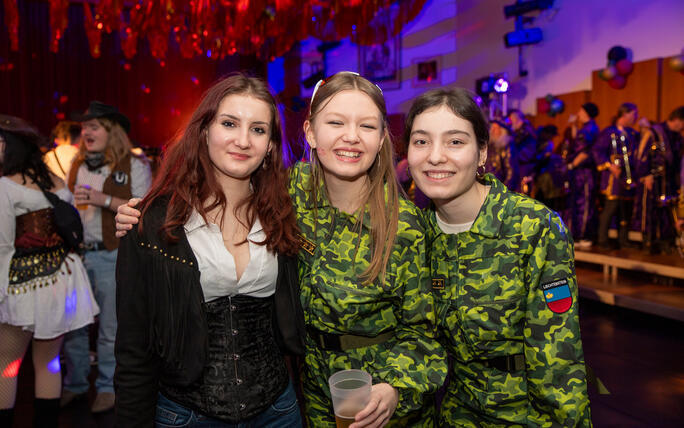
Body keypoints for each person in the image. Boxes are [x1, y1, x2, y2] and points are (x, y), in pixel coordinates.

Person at [116, 72, 446, 427]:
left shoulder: (407, 225)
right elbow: (136, 342)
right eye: (335, 122)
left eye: (366, 126)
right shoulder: (290, 196)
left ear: (382, 138)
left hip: (367, 397)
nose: (350, 136)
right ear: (309, 133)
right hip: (307, 395)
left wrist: (395, 387)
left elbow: (428, 333)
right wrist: (141, 213)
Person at [114, 74, 303, 427]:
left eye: (259, 130)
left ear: (271, 146)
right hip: (187, 415)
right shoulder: (153, 222)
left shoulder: (287, 213)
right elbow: (133, 348)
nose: (243, 140)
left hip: (278, 411)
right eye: (229, 123)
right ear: (203, 131)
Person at [404, 88, 591, 426]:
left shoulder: (534, 228)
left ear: (481, 153)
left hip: (527, 415)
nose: (435, 156)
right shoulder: (417, 233)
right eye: (421, 141)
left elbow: (558, 362)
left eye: (455, 142)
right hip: (454, 414)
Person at [0, 115, 98, 427]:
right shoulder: (52, 180)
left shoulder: (5, 186)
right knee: (49, 363)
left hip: (23, 285)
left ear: (9, 146)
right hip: (60, 279)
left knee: (6, 364)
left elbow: (3, 248)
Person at [60, 101, 152, 413]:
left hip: (111, 257)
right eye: (84, 127)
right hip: (76, 258)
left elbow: (145, 211)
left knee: (110, 329)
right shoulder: (77, 164)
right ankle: (74, 384)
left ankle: (106, 388)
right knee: (73, 326)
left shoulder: (134, 166)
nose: (86, 131)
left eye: (94, 126)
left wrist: (104, 199)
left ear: (111, 132)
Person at [632, 106, 684, 254]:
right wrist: (645, 175)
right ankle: (649, 241)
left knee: (667, 211)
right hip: (653, 180)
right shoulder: (654, 132)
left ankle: (665, 242)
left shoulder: (678, 137)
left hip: (669, 181)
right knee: (650, 211)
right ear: (677, 120)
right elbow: (641, 155)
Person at [593, 103, 639, 250]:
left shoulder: (631, 133)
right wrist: (609, 165)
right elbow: (597, 151)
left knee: (626, 208)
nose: (635, 117)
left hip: (628, 174)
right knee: (611, 207)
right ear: (625, 114)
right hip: (613, 177)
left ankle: (623, 239)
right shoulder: (609, 132)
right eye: (633, 114)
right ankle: (602, 239)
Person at [563, 103, 600, 248]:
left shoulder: (589, 129)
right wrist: (573, 126)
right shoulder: (586, 128)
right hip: (580, 172)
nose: (578, 112)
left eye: (580, 109)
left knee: (584, 203)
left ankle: (584, 235)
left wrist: (572, 165)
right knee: (578, 203)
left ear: (585, 112)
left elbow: (584, 152)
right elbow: (577, 142)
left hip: (584, 172)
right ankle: (577, 235)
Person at [507, 109, 537, 194]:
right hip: (523, 166)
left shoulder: (525, 131)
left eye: (511, 119)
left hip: (525, 166)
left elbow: (514, 143)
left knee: (523, 193)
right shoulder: (523, 130)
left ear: (516, 119)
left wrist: (511, 132)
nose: (510, 122)